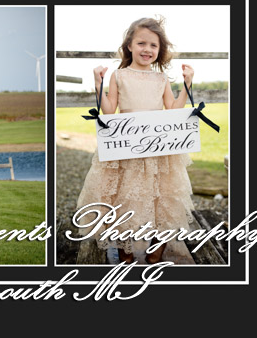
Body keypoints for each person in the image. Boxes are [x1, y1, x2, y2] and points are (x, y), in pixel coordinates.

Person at [74, 16, 196, 265]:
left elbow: (173, 109)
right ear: (129, 45)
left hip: (157, 148)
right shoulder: (119, 75)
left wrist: (187, 84)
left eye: (153, 45)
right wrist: (98, 84)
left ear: (159, 50)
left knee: (160, 197)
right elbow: (109, 110)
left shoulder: (161, 79)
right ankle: (124, 249)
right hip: (125, 147)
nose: (147, 49)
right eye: (142, 43)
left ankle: (157, 247)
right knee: (123, 197)